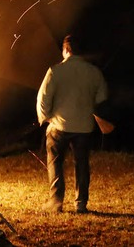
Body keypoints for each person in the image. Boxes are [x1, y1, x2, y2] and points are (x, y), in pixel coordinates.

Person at [36, 34, 108, 214]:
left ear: (66, 50)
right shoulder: (94, 72)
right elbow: (102, 98)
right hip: (84, 127)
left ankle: (56, 201)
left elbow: (43, 99)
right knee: (82, 164)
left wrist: (45, 118)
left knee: (54, 162)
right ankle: (81, 204)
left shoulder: (55, 70)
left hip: (59, 125)